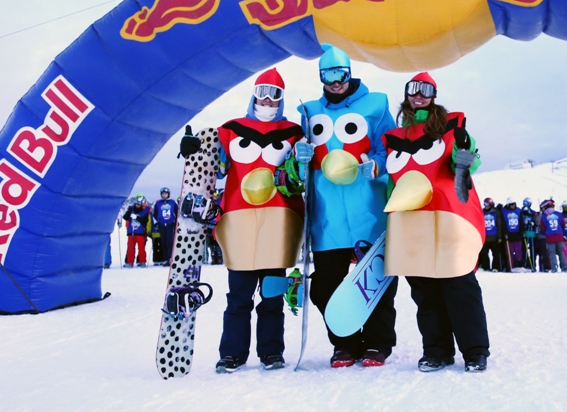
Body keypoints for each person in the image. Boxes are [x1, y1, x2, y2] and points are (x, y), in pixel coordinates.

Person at [184, 68, 306, 374]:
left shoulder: (293, 133)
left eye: (273, 94)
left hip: (278, 221)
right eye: (262, 92)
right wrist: (193, 152)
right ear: (253, 94)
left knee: (272, 292)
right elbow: (216, 167)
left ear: (281, 98)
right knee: (238, 294)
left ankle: (271, 351)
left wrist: (305, 160)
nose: (267, 100)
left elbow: (300, 176)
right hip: (239, 218)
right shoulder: (230, 130)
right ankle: (232, 353)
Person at [294, 44, 397, 368]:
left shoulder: (376, 104)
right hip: (328, 217)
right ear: (321, 77)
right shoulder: (309, 111)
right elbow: (297, 166)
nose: (335, 81)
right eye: (328, 75)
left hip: (368, 210)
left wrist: (378, 164)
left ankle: (378, 343)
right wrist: (301, 158)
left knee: (376, 282)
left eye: (340, 74)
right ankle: (345, 343)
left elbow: (391, 146)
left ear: (350, 73)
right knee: (324, 288)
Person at [381, 72, 490, 373]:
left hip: (446, 216)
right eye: (414, 89)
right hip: (410, 221)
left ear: (434, 94)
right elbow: (393, 182)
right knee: (423, 288)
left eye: (425, 90)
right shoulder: (395, 138)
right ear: (406, 94)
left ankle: (475, 350)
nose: (419, 95)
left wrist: (465, 156)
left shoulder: (450, 128)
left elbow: (465, 163)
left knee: (458, 283)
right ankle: (437, 350)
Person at [151, 187, 179, 266]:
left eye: (166, 194)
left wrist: (175, 222)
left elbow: (177, 212)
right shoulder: (158, 203)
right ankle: (165, 259)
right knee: (163, 242)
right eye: (163, 194)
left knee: (169, 242)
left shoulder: (172, 202)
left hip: (170, 224)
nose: (164, 195)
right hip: (162, 224)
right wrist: (157, 221)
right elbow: (155, 214)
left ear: (168, 194)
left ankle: (170, 258)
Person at [539, 199, 567, 272]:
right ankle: (564, 267)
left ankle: (554, 267)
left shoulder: (544, 216)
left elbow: (542, 228)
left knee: (552, 253)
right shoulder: (559, 214)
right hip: (559, 236)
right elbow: (563, 224)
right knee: (561, 252)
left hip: (550, 237)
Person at [122, 194, 151, 267]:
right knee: (130, 248)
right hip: (131, 232)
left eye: (139, 204)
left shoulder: (144, 211)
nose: (138, 205)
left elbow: (145, 221)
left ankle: (142, 261)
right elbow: (125, 217)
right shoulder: (131, 209)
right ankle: (130, 262)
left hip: (140, 232)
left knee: (141, 248)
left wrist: (137, 218)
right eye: (137, 204)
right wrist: (129, 212)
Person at [479, 198, 505, 272]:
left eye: (487, 205)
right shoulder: (482, 212)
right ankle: (485, 266)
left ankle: (495, 267)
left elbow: (499, 225)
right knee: (484, 253)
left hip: (494, 237)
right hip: (485, 237)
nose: (486, 206)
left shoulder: (496, 212)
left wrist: (499, 237)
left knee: (496, 254)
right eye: (485, 205)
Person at [520, 198, 544, 272]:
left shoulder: (533, 212)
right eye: (524, 203)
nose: (525, 205)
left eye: (527, 203)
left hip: (531, 232)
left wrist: (533, 223)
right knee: (524, 249)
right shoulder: (521, 212)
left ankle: (532, 264)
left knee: (532, 249)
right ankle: (525, 264)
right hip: (524, 233)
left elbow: (536, 220)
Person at [501, 199, 525, 269]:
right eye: (511, 204)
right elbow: (503, 223)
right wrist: (504, 232)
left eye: (514, 204)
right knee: (509, 251)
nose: (513, 206)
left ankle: (519, 265)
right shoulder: (504, 211)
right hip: (508, 234)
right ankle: (510, 266)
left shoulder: (518, 210)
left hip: (517, 234)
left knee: (518, 251)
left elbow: (521, 221)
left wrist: (522, 231)